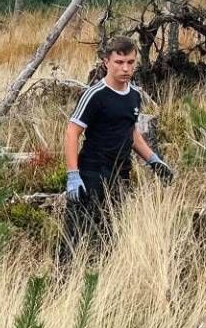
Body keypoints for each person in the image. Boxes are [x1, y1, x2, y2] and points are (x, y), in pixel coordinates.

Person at [62, 35, 174, 259]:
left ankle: (101, 279)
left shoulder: (133, 95)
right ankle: (63, 281)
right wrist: (73, 175)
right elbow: (72, 132)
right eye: (119, 62)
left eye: (130, 63)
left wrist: (153, 160)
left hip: (119, 174)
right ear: (106, 62)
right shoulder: (95, 95)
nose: (125, 68)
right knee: (75, 237)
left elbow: (130, 131)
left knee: (108, 235)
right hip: (91, 173)